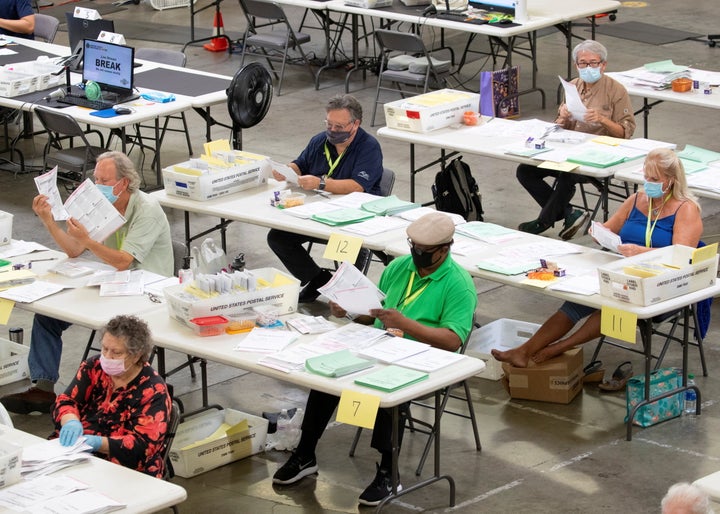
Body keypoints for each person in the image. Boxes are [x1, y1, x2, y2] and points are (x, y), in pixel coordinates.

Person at [272, 212, 477, 506]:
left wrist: (406, 325)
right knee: (326, 372)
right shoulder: (400, 267)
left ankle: (387, 472)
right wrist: (351, 310)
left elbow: (452, 340)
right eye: (413, 246)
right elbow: (376, 313)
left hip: (423, 358)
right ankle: (305, 453)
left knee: (384, 388)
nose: (415, 254)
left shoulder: (458, 284)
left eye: (423, 251)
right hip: (379, 344)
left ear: (444, 250)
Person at [493, 148, 702, 368]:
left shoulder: (686, 209)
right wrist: (599, 233)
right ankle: (524, 350)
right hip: (625, 270)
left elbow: (681, 256)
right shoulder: (637, 199)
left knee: (614, 303)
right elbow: (609, 229)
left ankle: (558, 347)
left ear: (671, 181)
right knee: (577, 300)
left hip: (664, 280)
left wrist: (641, 253)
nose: (647, 182)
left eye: (654, 179)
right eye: (645, 177)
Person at [0, 152, 173, 415]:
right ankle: (43, 388)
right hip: (112, 283)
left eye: (104, 179)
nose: (97, 184)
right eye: (96, 177)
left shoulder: (146, 209)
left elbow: (124, 261)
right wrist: (48, 220)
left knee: (116, 335)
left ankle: (111, 397)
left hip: (145, 290)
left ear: (123, 183)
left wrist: (90, 241)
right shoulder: (99, 204)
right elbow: (74, 249)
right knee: (47, 317)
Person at [267, 94, 384, 303]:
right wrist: (287, 170)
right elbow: (300, 164)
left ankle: (348, 296)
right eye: (329, 124)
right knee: (278, 237)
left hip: (354, 217)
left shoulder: (369, 147)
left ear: (355, 124)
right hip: (316, 211)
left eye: (339, 127)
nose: (333, 131)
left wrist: (321, 183)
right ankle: (319, 280)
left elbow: (358, 187)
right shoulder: (320, 140)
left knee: (349, 246)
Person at [517, 40, 636, 240]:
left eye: (593, 63)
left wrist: (602, 119)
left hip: (600, 152)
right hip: (571, 147)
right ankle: (568, 213)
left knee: (568, 173)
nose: (588, 68)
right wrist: (562, 116)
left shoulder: (616, 90)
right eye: (583, 63)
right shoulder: (573, 86)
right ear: (576, 65)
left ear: (603, 65)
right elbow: (560, 126)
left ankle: (545, 220)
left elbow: (625, 132)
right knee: (525, 170)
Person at [52, 315, 171, 478]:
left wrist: (98, 443)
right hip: (77, 451)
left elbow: (143, 446)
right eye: (104, 349)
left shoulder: (152, 390)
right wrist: (70, 421)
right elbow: (67, 400)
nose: (107, 357)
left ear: (136, 355)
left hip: (125, 467)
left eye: (116, 352)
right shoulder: (93, 367)